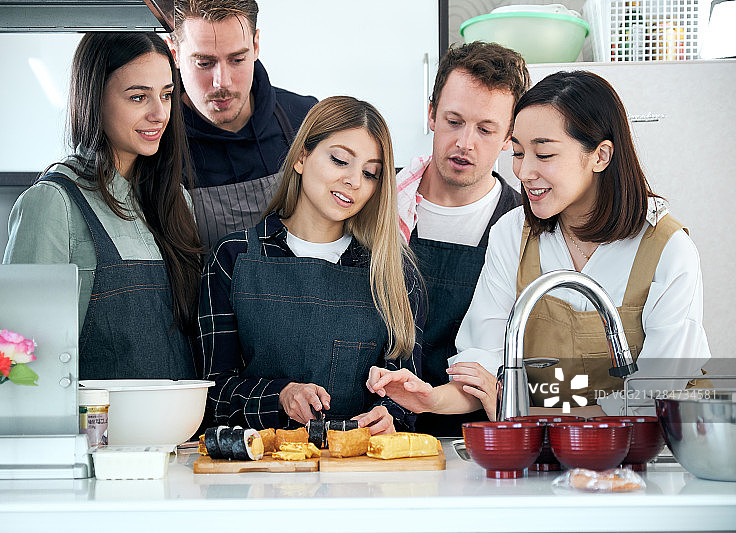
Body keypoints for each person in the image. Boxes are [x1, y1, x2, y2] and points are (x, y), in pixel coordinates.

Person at [368, 70, 711, 419]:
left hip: (645, 457)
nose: (524, 171)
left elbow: (654, 397)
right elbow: (484, 362)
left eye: (543, 155)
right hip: (543, 452)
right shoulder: (513, 232)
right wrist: (431, 400)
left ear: (601, 156)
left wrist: (528, 415)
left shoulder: (667, 250)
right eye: (518, 152)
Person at [200, 96, 424, 434]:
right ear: (302, 157)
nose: (354, 181)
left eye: (370, 173)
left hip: (360, 476)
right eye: (339, 160)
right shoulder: (234, 258)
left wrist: (390, 414)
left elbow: (406, 392)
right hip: (259, 475)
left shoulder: (393, 272)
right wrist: (281, 395)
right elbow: (211, 395)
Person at [3, 32, 203, 380]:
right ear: (94, 98)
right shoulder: (54, 203)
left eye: (167, 95)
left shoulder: (177, 201)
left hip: (181, 431)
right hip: (95, 433)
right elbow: (22, 359)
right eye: (139, 97)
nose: (159, 114)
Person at [394, 42, 529, 436]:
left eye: (486, 130)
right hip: (381, 429)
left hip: (475, 439)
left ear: (510, 137)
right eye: (453, 121)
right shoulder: (381, 204)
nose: (465, 143)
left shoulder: (525, 227)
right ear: (431, 113)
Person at [168, 0, 318, 251]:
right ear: (175, 54)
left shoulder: (305, 119)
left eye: (237, 59)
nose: (221, 82)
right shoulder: (156, 138)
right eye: (204, 63)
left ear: (256, 45)